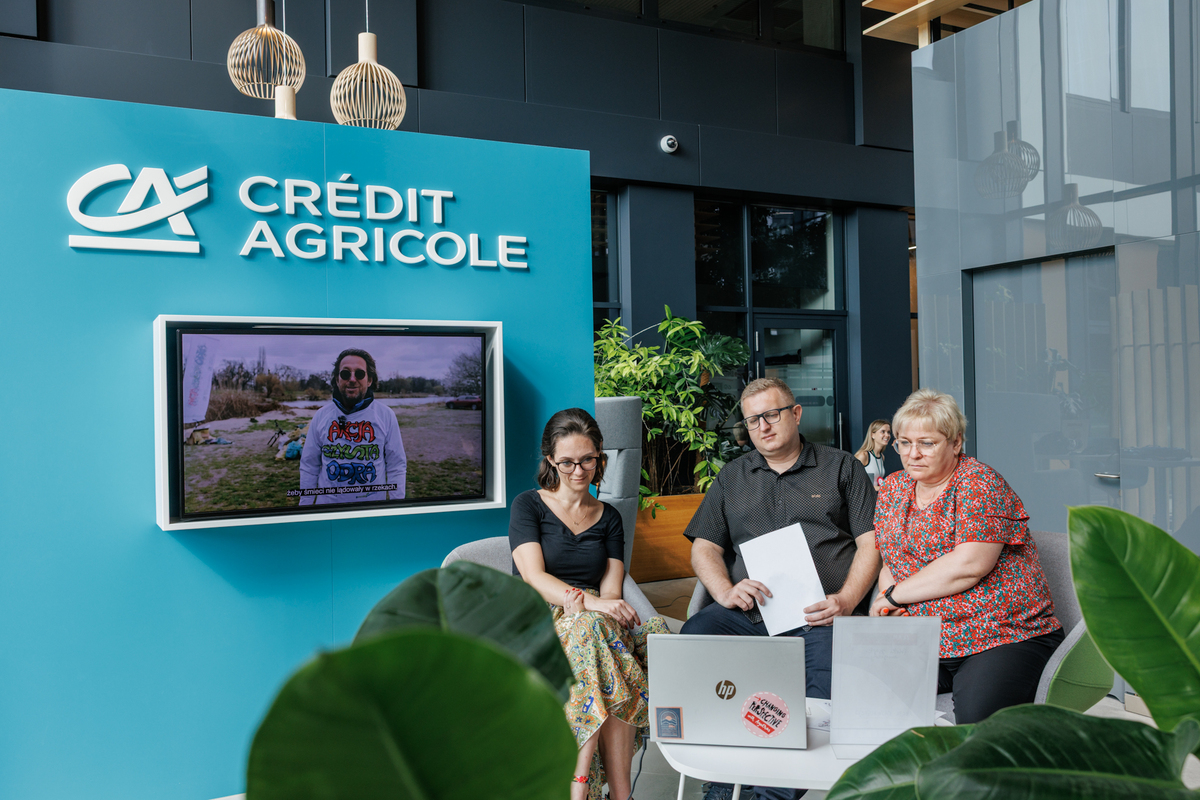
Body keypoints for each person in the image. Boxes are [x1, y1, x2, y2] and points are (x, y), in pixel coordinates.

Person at [681, 377, 879, 800]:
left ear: (795, 413)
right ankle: (721, 780)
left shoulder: (842, 466)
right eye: (753, 420)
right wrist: (725, 591)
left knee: (815, 707)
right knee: (695, 640)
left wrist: (845, 600)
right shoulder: (733, 476)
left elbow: (871, 544)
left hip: (822, 617)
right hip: (750, 615)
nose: (763, 427)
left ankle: (768, 795)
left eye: (771, 415)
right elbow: (704, 548)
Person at [870, 388, 1063, 724]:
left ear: (956, 443)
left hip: (1000, 633)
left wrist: (894, 596)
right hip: (928, 636)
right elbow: (892, 557)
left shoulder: (979, 483)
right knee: (865, 698)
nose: (912, 453)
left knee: (975, 723)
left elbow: (968, 566)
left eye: (927, 443)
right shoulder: (894, 487)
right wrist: (885, 608)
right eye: (903, 442)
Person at [509, 408, 670, 800]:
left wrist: (595, 607)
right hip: (543, 616)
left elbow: (613, 590)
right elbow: (534, 578)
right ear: (550, 460)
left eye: (587, 459)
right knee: (593, 635)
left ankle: (580, 786)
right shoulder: (528, 506)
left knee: (615, 635)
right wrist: (588, 605)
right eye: (566, 462)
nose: (578, 470)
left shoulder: (609, 517)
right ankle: (611, 790)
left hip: (598, 617)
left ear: (600, 457)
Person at [298, 348, 406, 504]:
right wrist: (305, 505)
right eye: (345, 373)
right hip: (328, 512)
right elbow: (309, 465)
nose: (352, 379)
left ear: (369, 380)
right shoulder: (321, 416)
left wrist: (397, 505)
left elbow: (396, 465)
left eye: (360, 374)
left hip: (370, 512)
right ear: (337, 379)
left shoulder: (386, 416)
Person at [855, 419, 892, 489]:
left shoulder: (881, 457)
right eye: (883, 432)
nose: (887, 435)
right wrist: (883, 488)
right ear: (872, 435)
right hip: (865, 498)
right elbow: (854, 482)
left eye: (888, 432)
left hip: (877, 497)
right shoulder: (863, 455)